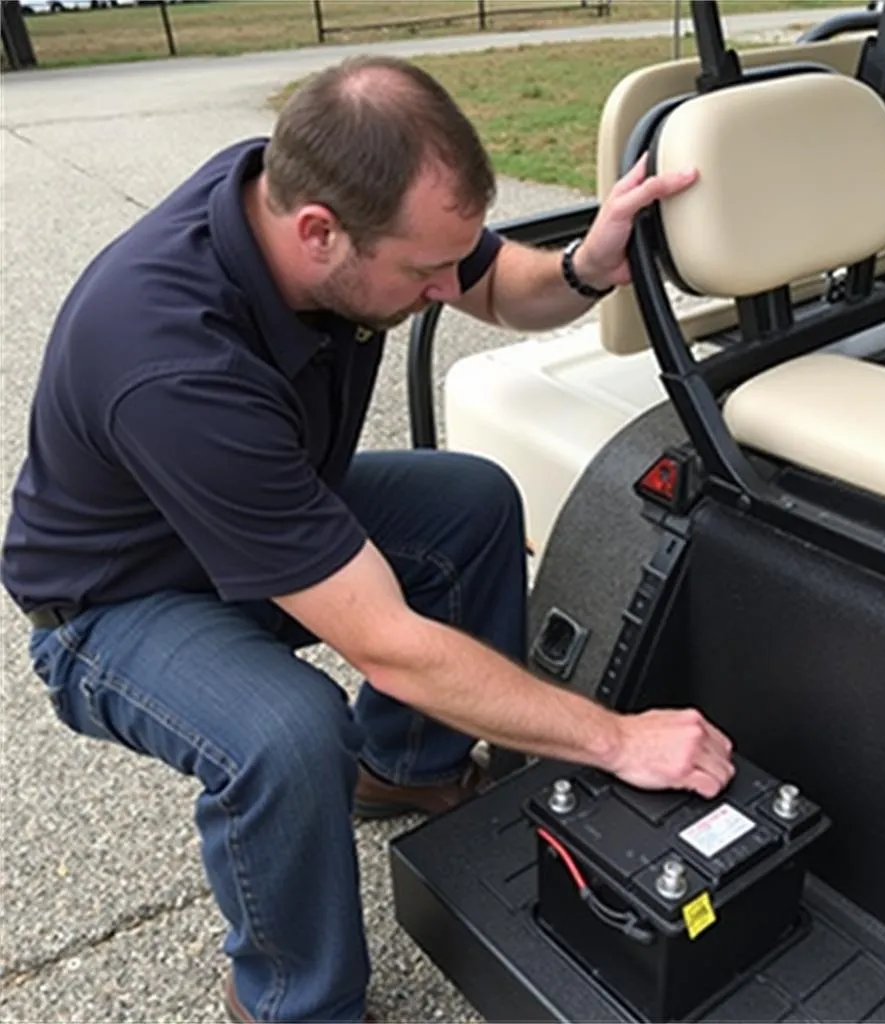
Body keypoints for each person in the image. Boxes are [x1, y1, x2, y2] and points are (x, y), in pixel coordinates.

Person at [1, 56, 734, 1024]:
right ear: (317, 233)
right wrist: (616, 739)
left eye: (449, 259)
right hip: (116, 599)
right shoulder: (170, 360)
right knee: (284, 730)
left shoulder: (318, 192)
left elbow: (506, 286)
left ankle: (405, 768)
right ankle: (292, 1000)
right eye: (423, 271)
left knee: (467, 499)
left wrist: (585, 265)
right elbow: (384, 640)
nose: (443, 291)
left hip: (252, 506)